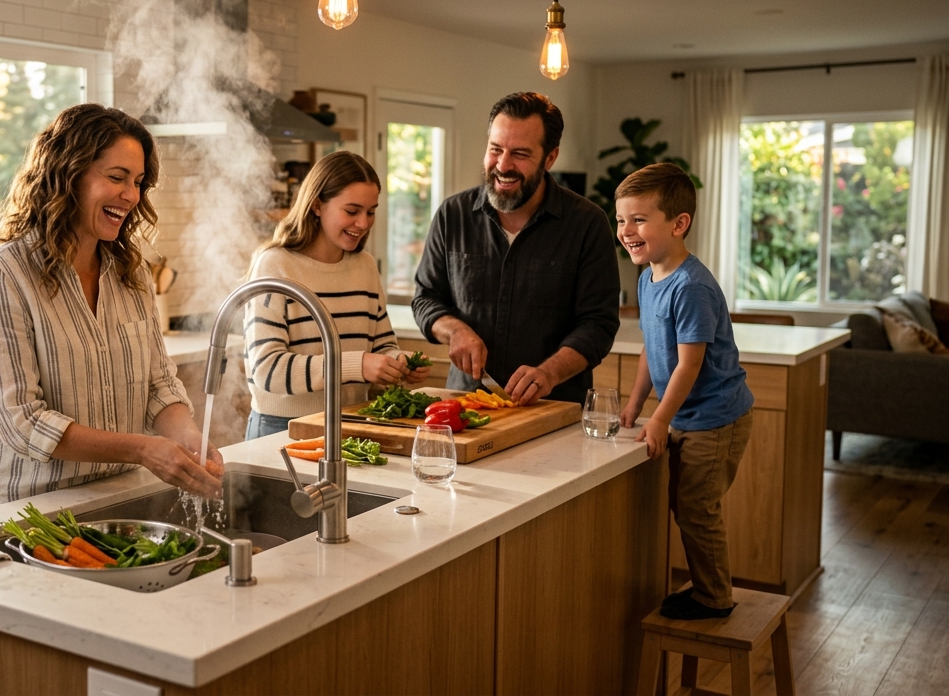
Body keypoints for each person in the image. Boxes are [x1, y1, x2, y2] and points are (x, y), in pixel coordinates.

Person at [0, 104, 222, 511]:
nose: (131, 195)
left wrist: (189, 437)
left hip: (111, 496)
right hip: (23, 506)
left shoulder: (131, 273)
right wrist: (143, 449)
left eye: (138, 182)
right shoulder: (4, 275)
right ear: (68, 175)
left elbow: (158, 385)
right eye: (117, 177)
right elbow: (23, 422)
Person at [412, 92, 619, 405]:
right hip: (467, 406)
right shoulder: (452, 215)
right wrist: (454, 331)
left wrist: (550, 372)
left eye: (520, 154)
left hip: (554, 408)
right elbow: (426, 298)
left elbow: (598, 324)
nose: (503, 165)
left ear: (550, 158)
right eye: (495, 149)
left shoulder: (587, 223)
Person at [616, 163, 754, 620]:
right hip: (688, 416)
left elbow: (689, 364)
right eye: (621, 220)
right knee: (686, 504)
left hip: (716, 418)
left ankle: (714, 598)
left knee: (696, 508)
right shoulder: (648, 278)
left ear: (679, 224)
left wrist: (660, 418)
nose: (626, 231)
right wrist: (635, 405)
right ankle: (706, 587)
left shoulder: (691, 286)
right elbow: (651, 349)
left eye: (639, 220)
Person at [243, 151, 430, 441]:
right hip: (282, 427)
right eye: (352, 211)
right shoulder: (275, 265)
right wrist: (358, 365)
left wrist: (397, 363)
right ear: (317, 205)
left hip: (351, 421)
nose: (363, 223)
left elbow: (381, 345)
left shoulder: (364, 266)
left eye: (371, 212)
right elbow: (267, 370)